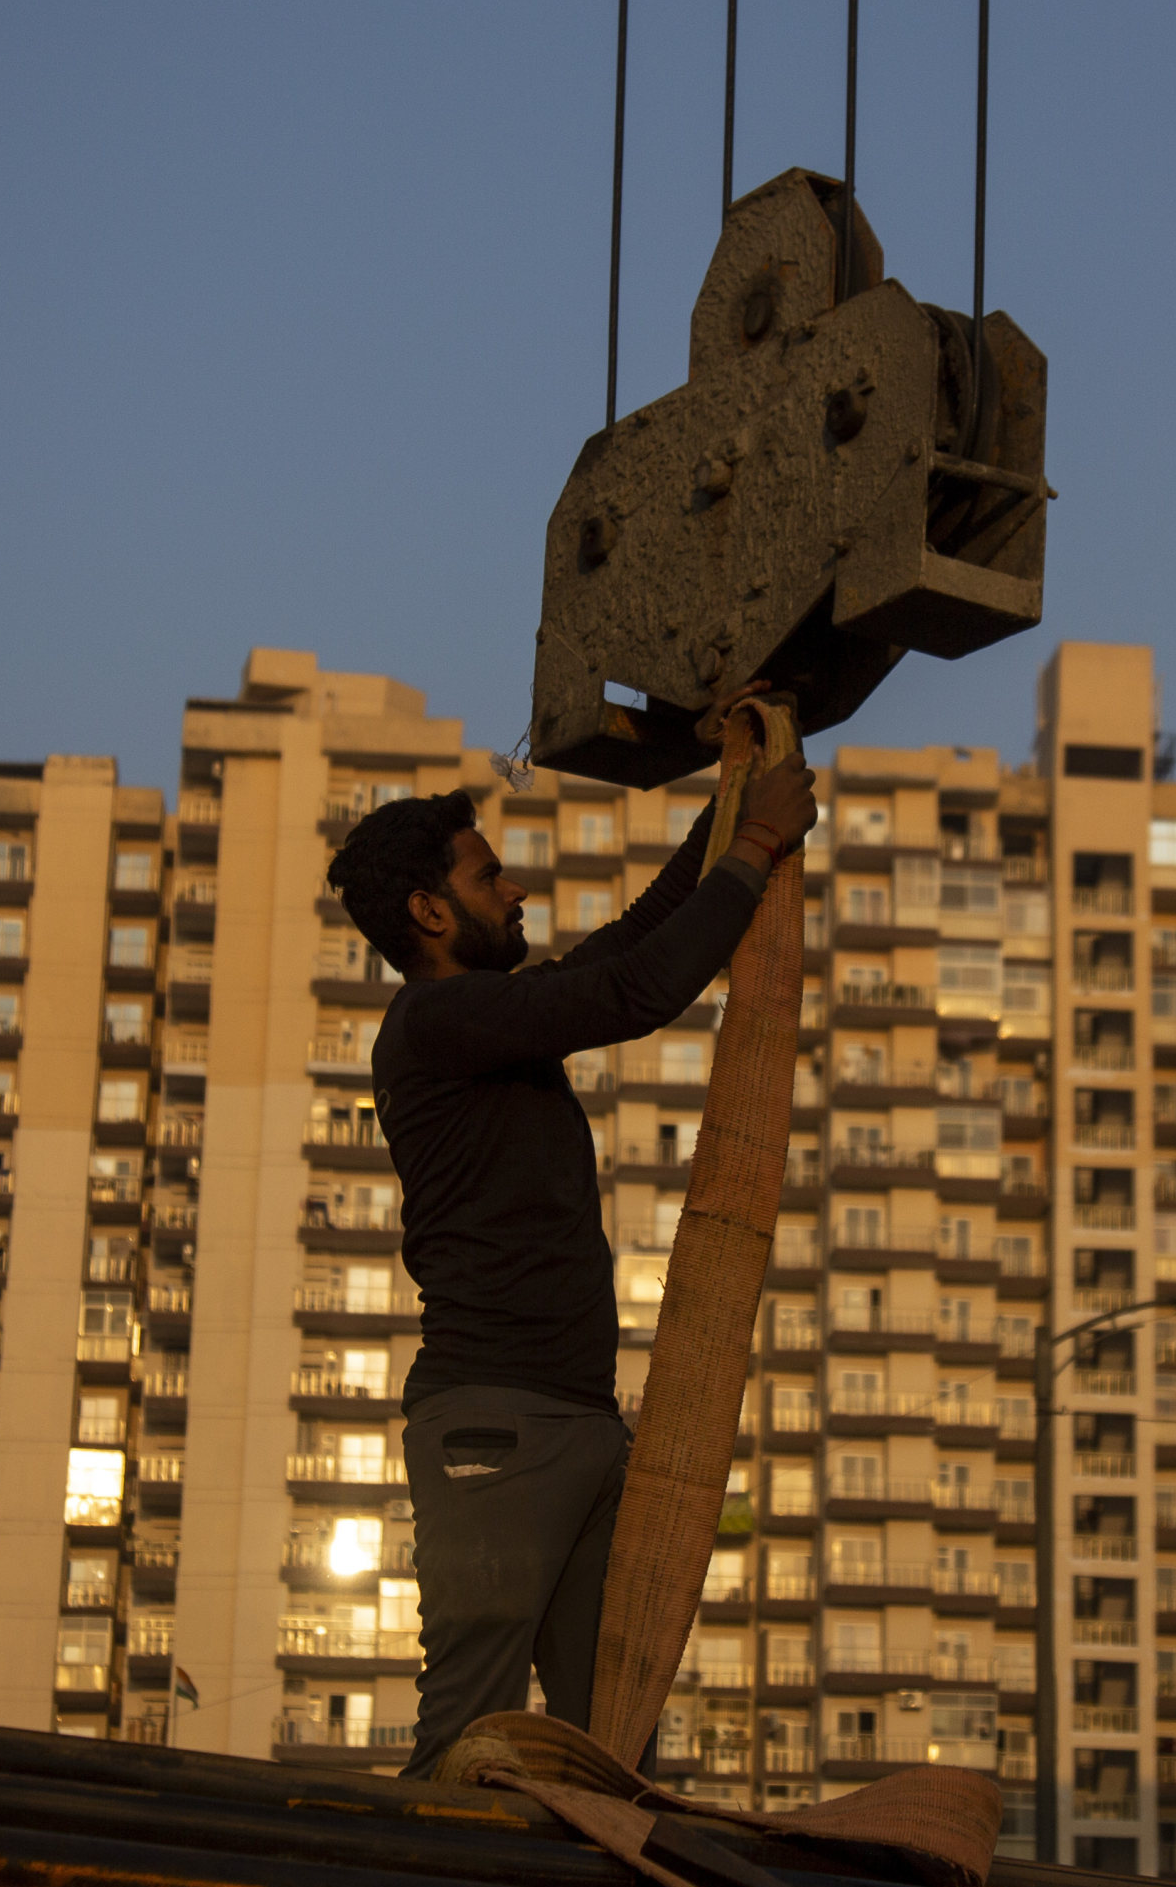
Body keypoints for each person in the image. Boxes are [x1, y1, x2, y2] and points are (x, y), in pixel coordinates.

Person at [328, 714, 813, 1774]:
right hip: (496, 1429)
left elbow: (629, 943)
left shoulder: (493, 1019)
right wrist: (756, 851)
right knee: (469, 1730)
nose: (516, 895)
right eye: (488, 877)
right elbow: (636, 992)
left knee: (611, 1742)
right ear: (429, 911)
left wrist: (735, 799)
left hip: (578, 1427)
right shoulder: (436, 1025)